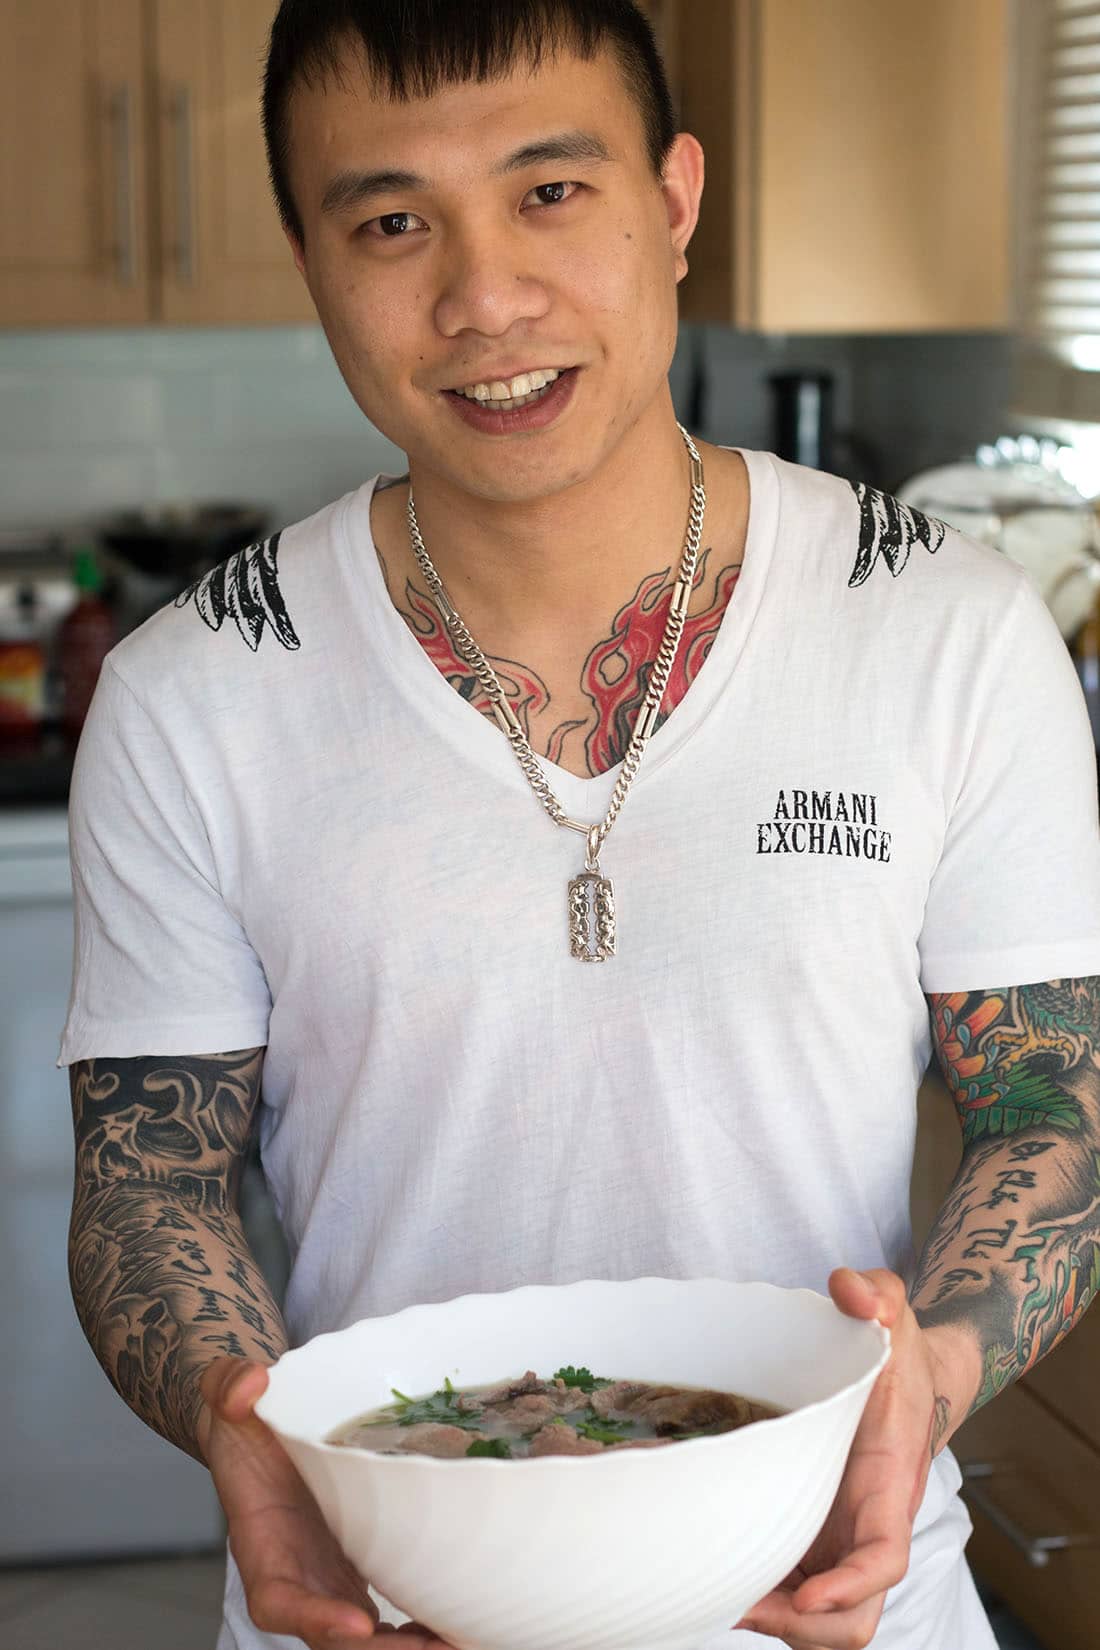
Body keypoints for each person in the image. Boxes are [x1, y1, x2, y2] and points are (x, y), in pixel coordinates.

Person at [61, 3, 1100, 1648]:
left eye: (551, 192)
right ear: (308, 255)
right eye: (393, 221)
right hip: (385, 1599)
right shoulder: (197, 694)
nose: (484, 300)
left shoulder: (946, 633)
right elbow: (149, 1182)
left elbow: (1054, 1108)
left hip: (840, 1594)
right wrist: (240, 1430)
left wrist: (938, 1366)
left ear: (675, 200)